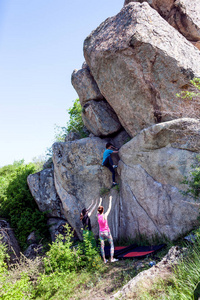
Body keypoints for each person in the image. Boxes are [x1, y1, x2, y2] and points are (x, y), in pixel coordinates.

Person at [97, 196, 118, 263]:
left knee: (102, 246)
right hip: (107, 232)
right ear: (103, 210)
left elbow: (98, 209)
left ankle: (104, 260)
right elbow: (109, 208)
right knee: (111, 244)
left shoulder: (97, 215)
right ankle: (111, 259)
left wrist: (100, 201)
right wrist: (110, 200)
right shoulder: (105, 215)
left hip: (101, 232)